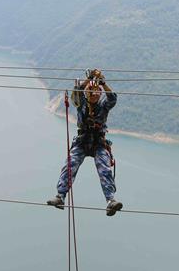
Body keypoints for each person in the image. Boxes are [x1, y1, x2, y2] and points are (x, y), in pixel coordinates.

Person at [48, 69, 123, 216]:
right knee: (70, 164)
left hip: (99, 142)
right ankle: (60, 197)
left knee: (104, 168)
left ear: (100, 94)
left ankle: (110, 201)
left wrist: (103, 83)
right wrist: (89, 79)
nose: (94, 94)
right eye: (91, 91)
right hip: (82, 141)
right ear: (87, 92)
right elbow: (77, 91)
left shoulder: (103, 105)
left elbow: (112, 98)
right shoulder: (81, 103)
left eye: (97, 92)